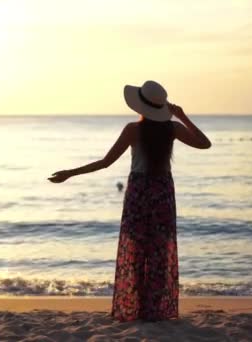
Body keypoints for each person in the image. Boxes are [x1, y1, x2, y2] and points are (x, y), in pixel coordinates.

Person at [48, 80, 211, 322]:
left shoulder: (133, 129)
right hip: (163, 191)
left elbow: (105, 162)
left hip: (138, 191)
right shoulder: (172, 129)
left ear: (141, 107)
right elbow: (204, 143)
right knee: (159, 250)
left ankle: (134, 307)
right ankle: (155, 309)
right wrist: (183, 116)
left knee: (134, 248)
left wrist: (70, 173)